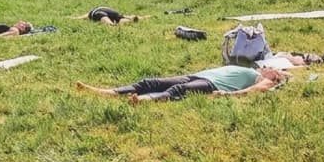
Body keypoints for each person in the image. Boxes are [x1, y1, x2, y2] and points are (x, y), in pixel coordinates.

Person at [75, 65, 287, 103]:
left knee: (180, 91)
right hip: (197, 74)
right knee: (152, 81)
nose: (269, 67)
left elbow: (256, 90)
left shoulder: (265, 79)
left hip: (211, 85)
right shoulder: (253, 68)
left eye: (274, 70)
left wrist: (228, 95)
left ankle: (144, 101)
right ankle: (110, 92)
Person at [74, 7, 146, 25]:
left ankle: (111, 25)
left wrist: (75, 18)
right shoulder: (91, 13)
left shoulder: (92, 13)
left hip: (98, 12)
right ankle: (132, 19)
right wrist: (145, 17)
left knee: (104, 18)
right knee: (121, 18)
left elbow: (80, 17)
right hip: (112, 12)